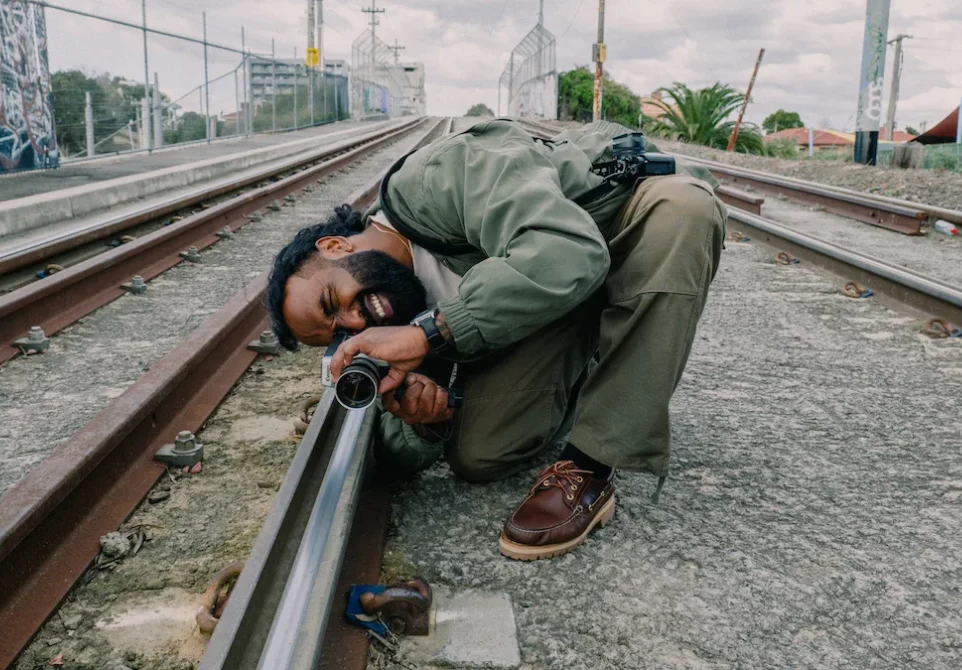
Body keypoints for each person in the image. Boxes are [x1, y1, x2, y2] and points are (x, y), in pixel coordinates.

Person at [266, 118, 726, 561]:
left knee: (683, 211)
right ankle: (592, 363)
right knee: (478, 454)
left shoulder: (435, 178)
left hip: (618, 221)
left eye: (332, 300)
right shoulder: (395, 309)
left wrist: (430, 334)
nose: (354, 319)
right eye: (342, 332)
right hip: (560, 293)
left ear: (334, 246)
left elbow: (568, 252)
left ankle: (591, 462)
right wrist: (428, 420)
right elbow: (395, 447)